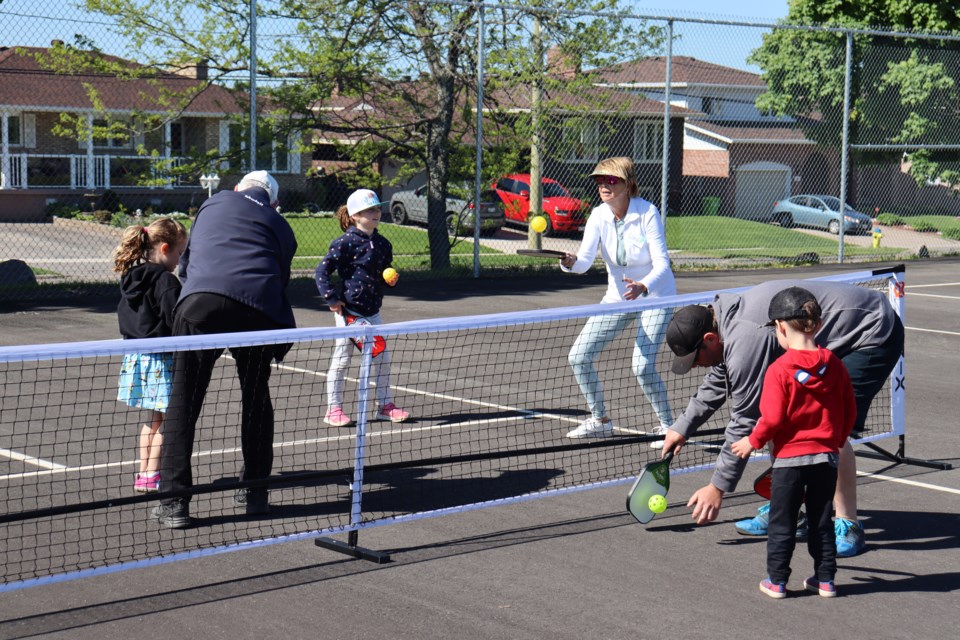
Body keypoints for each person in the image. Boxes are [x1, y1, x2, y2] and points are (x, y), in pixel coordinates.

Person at [663, 278, 904, 557]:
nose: (694, 366)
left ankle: (847, 523)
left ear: (709, 339)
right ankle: (790, 509)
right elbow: (722, 378)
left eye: (694, 359)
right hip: (831, 335)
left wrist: (717, 487)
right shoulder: (724, 325)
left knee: (832, 432)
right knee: (778, 420)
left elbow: (744, 418)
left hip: (871, 333)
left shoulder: (746, 338)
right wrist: (683, 427)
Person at [153, 170, 297, 529]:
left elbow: (186, 267)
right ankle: (255, 493)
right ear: (274, 202)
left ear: (236, 189)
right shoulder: (280, 225)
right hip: (258, 311)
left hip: (202, 304)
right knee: (256, 396)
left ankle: (174, 502)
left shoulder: (211, 203)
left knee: (183, 402)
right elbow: (279, 280)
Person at [729, 287, 855, 599]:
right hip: (826, 459)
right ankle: (825, 579)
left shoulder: (779, 370)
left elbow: (771, 419)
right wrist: (836, 441)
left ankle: (777, 580)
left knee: (782, 523)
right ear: (818, 325)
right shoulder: (836, 365)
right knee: (822, 521)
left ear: (781, 327)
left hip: (789, 462)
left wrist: (751, 441)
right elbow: (850, 410)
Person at [559, 156, 676, 444]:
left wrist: (643, 286)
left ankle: (668, 427)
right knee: (578, 356)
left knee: (642, 366)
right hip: (617, 298)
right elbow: (584, 262)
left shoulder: (647, 212)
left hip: (655, 296)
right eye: (600, 180)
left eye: (611, 180)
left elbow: (663, 263)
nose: (604, 185)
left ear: (628, 185)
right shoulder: (598, 215)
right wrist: (569, 262)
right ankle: (600, 420)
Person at [315, 189, 409, 427]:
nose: (376, 213)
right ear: (356, 215)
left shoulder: (383, 243)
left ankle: (385, 406)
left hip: (373, 312)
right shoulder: (344, 243)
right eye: (370, 210)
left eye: (377, 208)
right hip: (349, 314)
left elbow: (384, 271)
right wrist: (331, 299)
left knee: (382, 359)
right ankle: (333, 409)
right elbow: (322, 271)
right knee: (342, 359)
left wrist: (390, 279)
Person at [113, 218, 188, 493]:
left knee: (152, 420)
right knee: (167, 421)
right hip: (161, 360)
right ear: (165, 249)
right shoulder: (166, 281)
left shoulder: (132, 277)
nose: (180, 260)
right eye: (179, 253)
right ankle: (154, 473)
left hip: (137, 358)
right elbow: (175, 320)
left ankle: (144, 473)